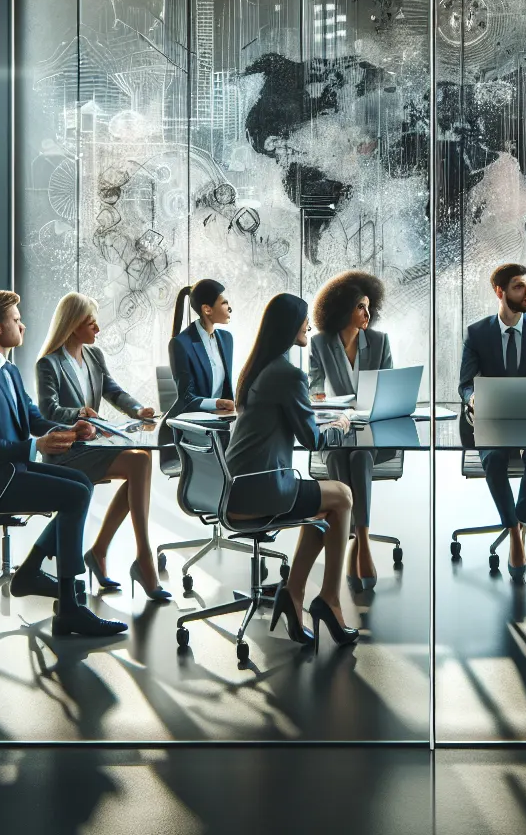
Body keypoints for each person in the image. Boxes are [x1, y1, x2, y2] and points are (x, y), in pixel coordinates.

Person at [0, 290, 127, 637]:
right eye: (16, 320)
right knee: (73, 495)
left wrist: (70, 429)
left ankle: (32, 572)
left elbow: (32, 416)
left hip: (11, 472)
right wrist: (35, 446)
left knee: (81, 484)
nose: (23, 326)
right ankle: (70, 607)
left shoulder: (7, 370)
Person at [225, 293, 360, 647]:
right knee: (343, 495)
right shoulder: (287, 374)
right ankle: (329, 598)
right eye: (304, 319)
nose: (309, 326)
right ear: (289, 325)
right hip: (261, 490)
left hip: (235, 487)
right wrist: (341, 425)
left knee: (325, 509)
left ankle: (293, 592)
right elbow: (313, 440)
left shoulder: (259, 368)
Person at [33, 292, 170, 602]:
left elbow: (113, 391)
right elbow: (47, 411)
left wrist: (138, 410)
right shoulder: (49, 364)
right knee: (139, 463)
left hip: (90, 446)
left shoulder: (94, 358)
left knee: (141, 459)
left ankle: (100, 552)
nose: (97, 328)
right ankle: (143, 558)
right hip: (66, 452)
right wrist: (77, 413)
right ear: (72, 326)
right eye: (91, 322)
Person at [458, 262, 526, 579]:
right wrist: (473, 399)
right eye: (519, 286)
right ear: (500, 292)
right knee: (494, 459)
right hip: (495, 417)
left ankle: (518, 523)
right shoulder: (477, 333)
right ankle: (516, 533)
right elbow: (465, 385)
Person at [308, 270, 397, 592]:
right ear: (344, 308)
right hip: (336, 428)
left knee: (359, 456)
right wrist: (323, 401)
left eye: (369, 307)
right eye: (361, 307)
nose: (367, 314)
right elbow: (312, 389)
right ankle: (356, 537)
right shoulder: (320, 344)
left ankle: (361, 540)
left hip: (374, 432)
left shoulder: (379, 341)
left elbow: (388, 391)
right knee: (339, 453)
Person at [167, 279, 236, 419]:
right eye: (224, 303)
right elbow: (187, 398)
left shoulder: (226, 339)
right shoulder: (181, 343)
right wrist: (217, 403)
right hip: (189, 424)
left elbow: (226, 389)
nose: (229, 308)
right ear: (207, 309)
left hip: (220, 420)